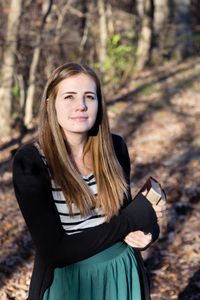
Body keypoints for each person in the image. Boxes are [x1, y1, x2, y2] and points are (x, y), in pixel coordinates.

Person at [12, 62, 165, 300]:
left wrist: (148, 231)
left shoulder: (115, 148)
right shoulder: (31, 161)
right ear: (50, 104)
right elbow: (55, 251)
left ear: (98, 104)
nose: (81, 106)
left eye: (89, 97)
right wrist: (134, 217)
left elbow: (124, 216)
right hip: (71, 285)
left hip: (123, 275)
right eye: (69, 97)